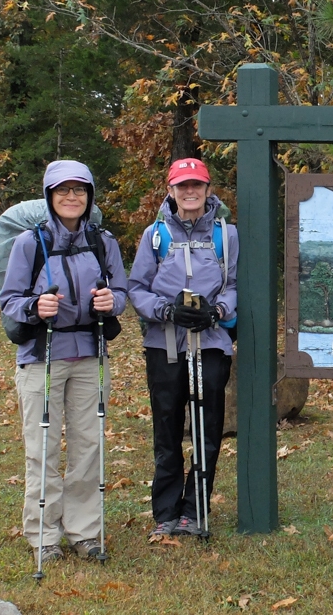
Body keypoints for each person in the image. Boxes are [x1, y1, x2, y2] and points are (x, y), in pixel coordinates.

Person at [0, 160, 128, 564]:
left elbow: (120, 291)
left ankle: (85, 532)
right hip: (42, 356)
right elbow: (9, 301)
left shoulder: (104, 241)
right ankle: (43, 535)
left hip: (90, 354)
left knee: (89, 446)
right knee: (43, 447)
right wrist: (37, 305)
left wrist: (112, 302)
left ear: (89, 197)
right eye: (62, 190)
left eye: (79, 190)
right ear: (49, 196)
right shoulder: (28, 243)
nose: (71, 197)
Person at [128, 158, 237, 540]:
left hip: (210, 342)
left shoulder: (226, 233)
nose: (190, 192)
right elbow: (136, 287)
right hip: (165, 344)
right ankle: (167, 511)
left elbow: (235, 283)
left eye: (197, 185)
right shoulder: (155, 235)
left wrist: (218, 310)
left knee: (206, 428)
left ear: (208, 190)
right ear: (171, 191)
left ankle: (196, 510)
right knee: (167, 425)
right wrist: (165, 309)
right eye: (182, 186)